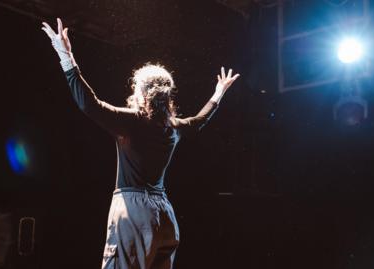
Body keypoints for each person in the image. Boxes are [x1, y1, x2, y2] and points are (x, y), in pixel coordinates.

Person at [42, 18, 239, 269]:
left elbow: (88, 104)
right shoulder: (173, 127)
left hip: (133, 212)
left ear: (142, 93)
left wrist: (65, 56)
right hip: (164, 216)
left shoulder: (131, 122)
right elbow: (199, 120)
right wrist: (218, 94)